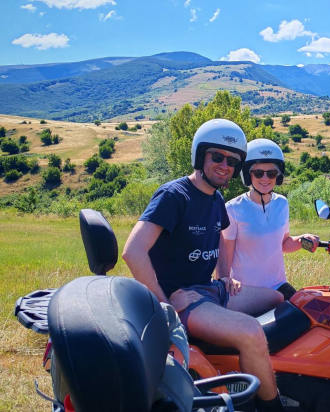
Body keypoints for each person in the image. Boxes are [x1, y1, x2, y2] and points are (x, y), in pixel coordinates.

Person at [122, 119, 284, 411]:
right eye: (217, 157)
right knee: (251, 333)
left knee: (278, 298)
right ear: (200, 156)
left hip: (208, 291)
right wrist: (165, 306)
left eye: (232, 161)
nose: (225, 166)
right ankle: (272, 407)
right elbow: (133, 251)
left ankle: (253, 370)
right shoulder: (174, 196)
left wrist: (225, 276)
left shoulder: (216, 199)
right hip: (182, 299)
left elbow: (222, 236)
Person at [218, 138, 320, 301]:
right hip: (247, 291)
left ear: (278, 176)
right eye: (258, 173)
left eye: (271, 173)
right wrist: (224, 283)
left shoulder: (282, 203)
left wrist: (302, 240)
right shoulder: (232, 209)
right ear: (248, 175)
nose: (265, 178)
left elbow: (283, 244)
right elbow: (224, 258)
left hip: (278, 286)